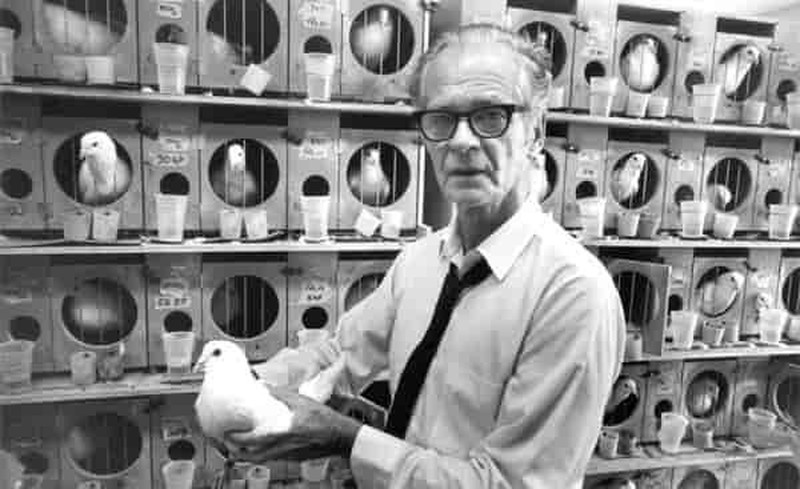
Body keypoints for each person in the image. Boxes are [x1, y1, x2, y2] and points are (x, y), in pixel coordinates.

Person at [228, 23, 627, 488]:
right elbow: (341, 353)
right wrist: (242, 385)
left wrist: (348, 440)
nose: (460, 141)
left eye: (490, 115)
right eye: (440, 119)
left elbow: (510, 483)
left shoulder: (573, 295)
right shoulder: (420, 262)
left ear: (536, 131)